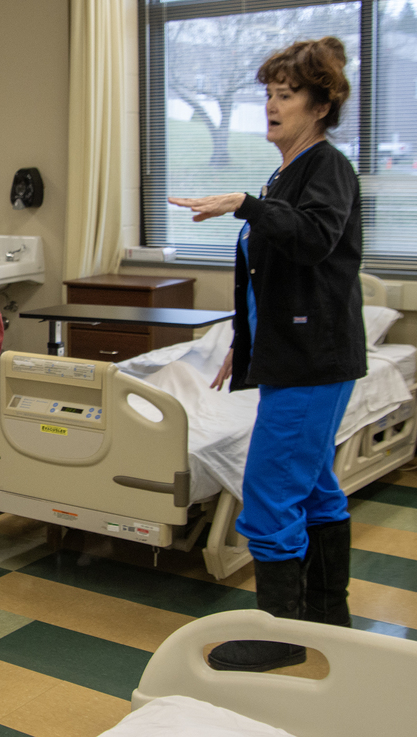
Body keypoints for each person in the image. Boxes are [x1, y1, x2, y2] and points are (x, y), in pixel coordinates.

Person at [169, 37, 363, 672]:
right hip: (296, 355)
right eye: (269, 94)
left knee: (270, 492)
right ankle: (329, 619)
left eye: (287, 95)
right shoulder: (287, 172)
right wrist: (244, 343)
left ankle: (279, 637)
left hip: (314, 360)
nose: (272, 106)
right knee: (315, 489)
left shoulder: (326, 167)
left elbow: (313, 241)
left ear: (321, 103)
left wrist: (246, 205)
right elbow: (270, 278)